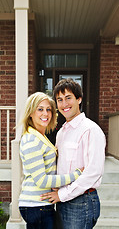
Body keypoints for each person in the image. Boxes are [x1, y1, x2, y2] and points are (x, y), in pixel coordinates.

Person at [41, 79, 106, 229]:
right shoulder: (62, 132)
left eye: (68, 98)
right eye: (59, 100)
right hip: (64, 199)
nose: (64, 104)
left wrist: (62, 195)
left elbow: (93, 172)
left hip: (81, 202)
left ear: (79, 99)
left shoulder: (90, 130)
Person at [18, 92, 83, 229]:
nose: (45, 113)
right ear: (31, 112)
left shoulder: (40, 136)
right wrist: (76, 175)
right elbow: (41, 180)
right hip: (36, 205)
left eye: (48, 110)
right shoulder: (31, 139)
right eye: (40, 109)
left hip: (41, 205)